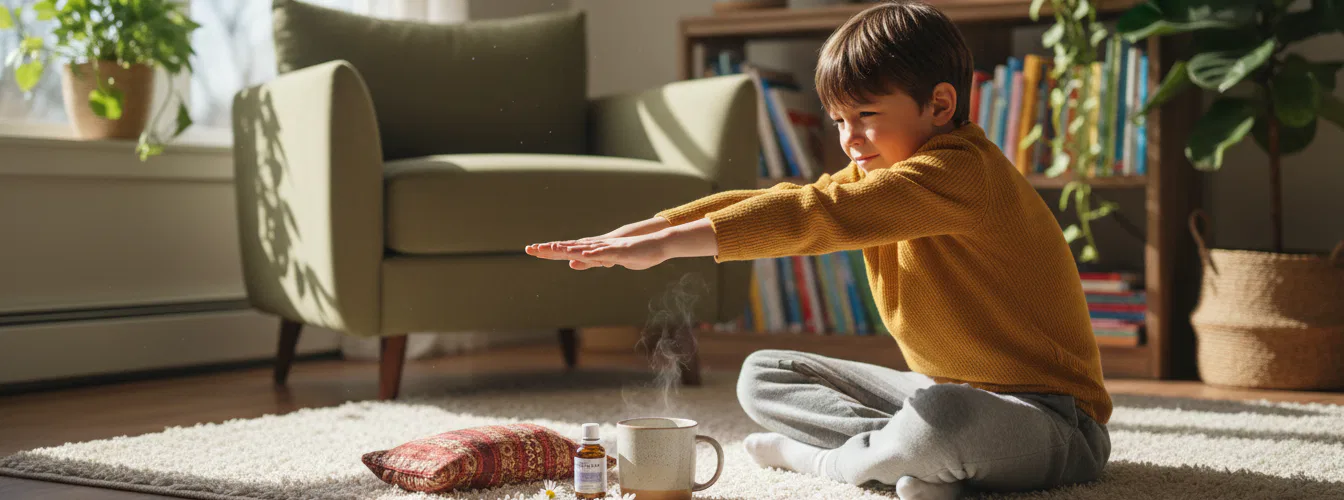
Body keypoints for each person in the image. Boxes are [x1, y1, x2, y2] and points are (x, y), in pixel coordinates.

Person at [525, 1, 1110, 498]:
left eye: (866, 116)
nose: (849, 139)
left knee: (947, 421)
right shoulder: (875, 175)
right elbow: (789, 197)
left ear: (939, 105)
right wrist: (652, 227)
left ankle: (836, 462)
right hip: (937, 394)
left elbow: (813, 217)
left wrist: (670, 246)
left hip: (1055, 422)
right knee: (764, 374)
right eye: (837, 120)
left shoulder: (962, 173)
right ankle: (905, 457)